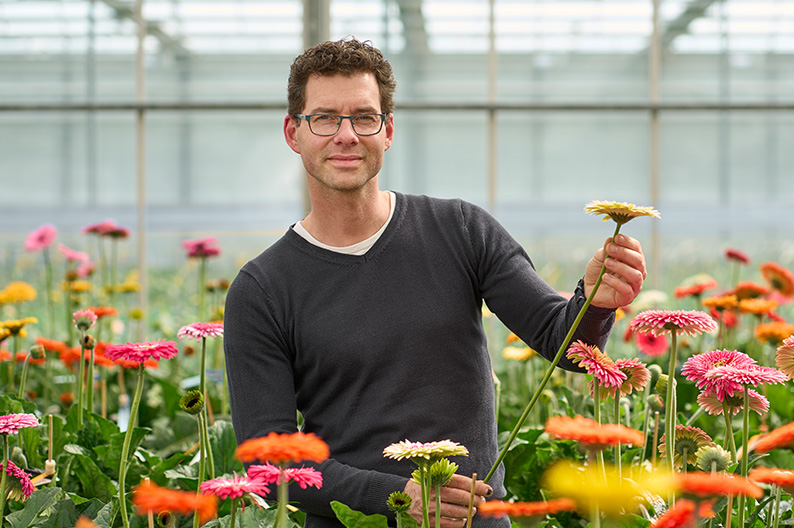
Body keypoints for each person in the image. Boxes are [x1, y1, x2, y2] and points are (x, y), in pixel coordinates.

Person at [224, 38, 647, 528]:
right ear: (293, 132)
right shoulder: (262, 289)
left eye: (364, 117)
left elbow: (564, 343)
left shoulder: (461, 230)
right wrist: (398, 497)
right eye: (325, 118)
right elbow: (269, 464)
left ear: (388, 132)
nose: (346, 135)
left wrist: (596, 301)